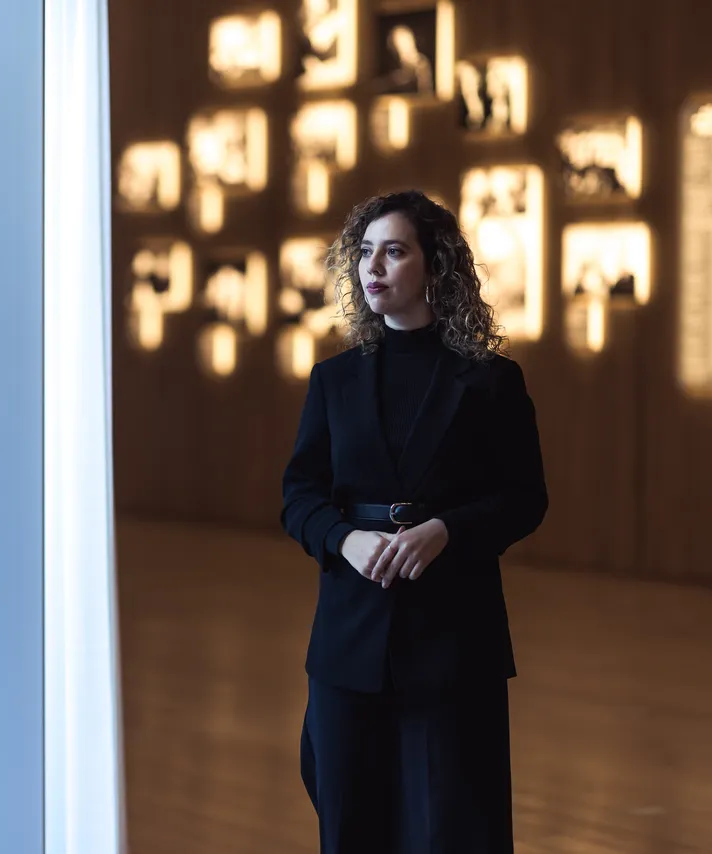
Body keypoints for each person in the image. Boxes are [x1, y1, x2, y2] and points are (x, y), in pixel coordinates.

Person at [280, 190, 548, 853]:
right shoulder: (333, 380)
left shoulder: (492, 381)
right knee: (350, 824)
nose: (373, 267)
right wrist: (344, 539)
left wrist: (447, 531)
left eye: (394, 251)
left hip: (455, 637)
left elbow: (525, 498)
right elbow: (299, 495)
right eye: (365, 251)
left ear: (436, 264)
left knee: (455, 829)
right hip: (349, 637)